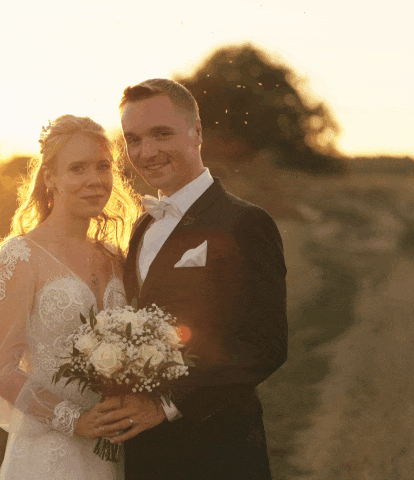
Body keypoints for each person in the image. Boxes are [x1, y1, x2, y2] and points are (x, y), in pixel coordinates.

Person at [93, 79, 288, 479]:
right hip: (146, 454)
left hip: (219, 450)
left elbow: (264, 346)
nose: (146, 153)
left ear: (196, 132)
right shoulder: (143, 225)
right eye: (133, 140)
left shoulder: (244, 222)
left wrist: (165, 404)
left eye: (161, 134)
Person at [0, 114, 141, 479]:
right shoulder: (19, 257)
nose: (94, 181)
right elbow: (1, 371)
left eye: (103, 167)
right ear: (50, 177)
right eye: (77, 169)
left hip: (115, 448)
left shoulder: (115, 257)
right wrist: (75, 421)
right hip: (50, 454)